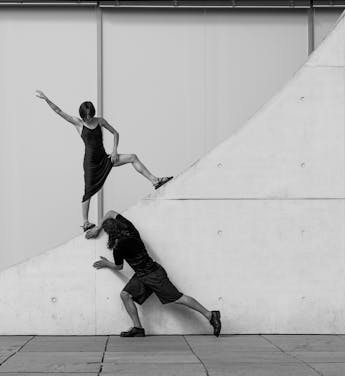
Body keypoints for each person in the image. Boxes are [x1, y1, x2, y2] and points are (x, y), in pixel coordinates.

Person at [35, 91, 172, 233]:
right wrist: (46, 99)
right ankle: (86, 222)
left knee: (132, 157)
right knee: (88, 191)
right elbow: (58, 111)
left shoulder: (100, 121)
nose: (88, 118)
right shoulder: (78, 123)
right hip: (90, 163)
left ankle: (155, 181)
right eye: (85, 116)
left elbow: (115, 133)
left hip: (104, 158)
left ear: (93, 113)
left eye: (90, 116)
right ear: (82, 115)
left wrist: (114, 151)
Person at [87, 210, 221, 337]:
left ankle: (210, 315)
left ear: (110, 232)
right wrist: (98, 227)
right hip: (142, 274)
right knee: (125, 295)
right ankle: (138, 328)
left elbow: (119, 266)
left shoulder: (118, 247)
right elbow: (111, 213)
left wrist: (105, 263)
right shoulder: (130, 229)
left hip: (153, 275)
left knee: (178, 298)